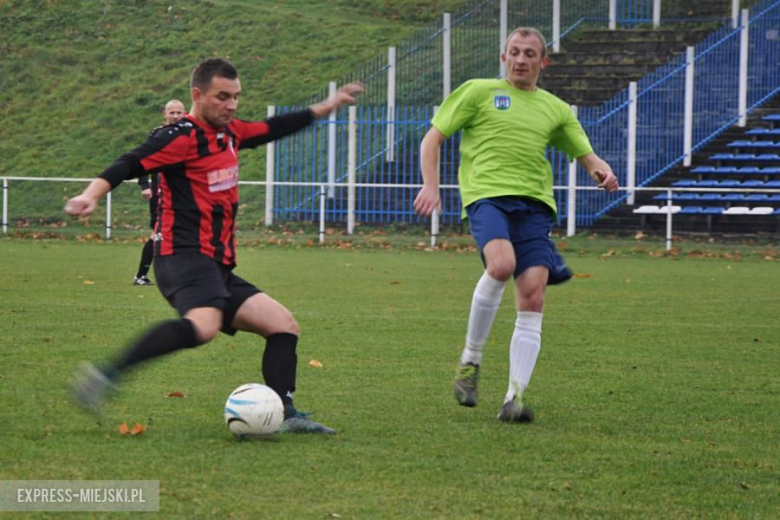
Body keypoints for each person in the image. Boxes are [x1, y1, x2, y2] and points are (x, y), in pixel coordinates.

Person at [65, 58, 364, 434]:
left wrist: (328, 105)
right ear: (198, 95)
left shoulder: (231, 133)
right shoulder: (180, 137)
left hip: (217, 264)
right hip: (182, 257)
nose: (232, 105)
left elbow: (273, 128)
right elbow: (129, 162)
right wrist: (90, 195)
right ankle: (103, 376)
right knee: (203, 327)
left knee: (283, 325)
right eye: (223, 97)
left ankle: (286, 414)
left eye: (236, 97)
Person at [413, 27, 619, 423]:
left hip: (535, 207)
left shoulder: (556, 109)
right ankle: (470, 361)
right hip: (488, 198)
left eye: (529, 53)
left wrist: (603, 173)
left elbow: (589, 156)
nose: (521, 59)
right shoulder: (477, 92)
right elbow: (433, 138)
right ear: (503, 57)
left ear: (544, 62)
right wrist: (430, 185)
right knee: (502, 265)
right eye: (514, 52)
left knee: (533, 295)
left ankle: (514, 397)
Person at [133, 99, 186, 286]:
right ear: (165, 114)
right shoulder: (158, 134)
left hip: (182, 195)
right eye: (172, 113)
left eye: (179, 113)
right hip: (161, 195)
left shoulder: (190, 133)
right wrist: (144, 184)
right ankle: (141, 275)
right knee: (158, 234)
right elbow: (143, 159)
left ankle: (148, 275)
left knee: (181, 233)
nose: (176, 116)